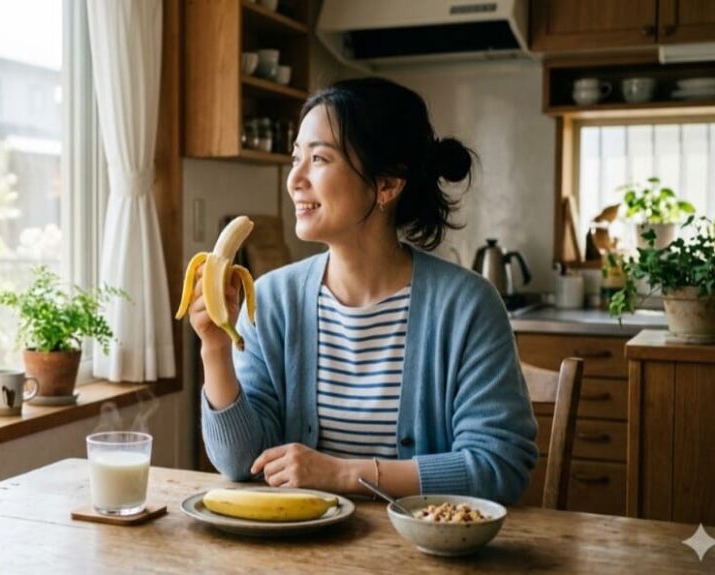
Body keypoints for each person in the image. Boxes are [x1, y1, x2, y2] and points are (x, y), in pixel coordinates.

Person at [187, 77, 537, 505]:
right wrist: (215, 349)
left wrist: (342, 474)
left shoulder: (467, 307)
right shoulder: (273, 300)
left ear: (387, 184)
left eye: (318, 158)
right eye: (296, 157)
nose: (294, 179)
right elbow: (240, 463)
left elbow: (499, 466)